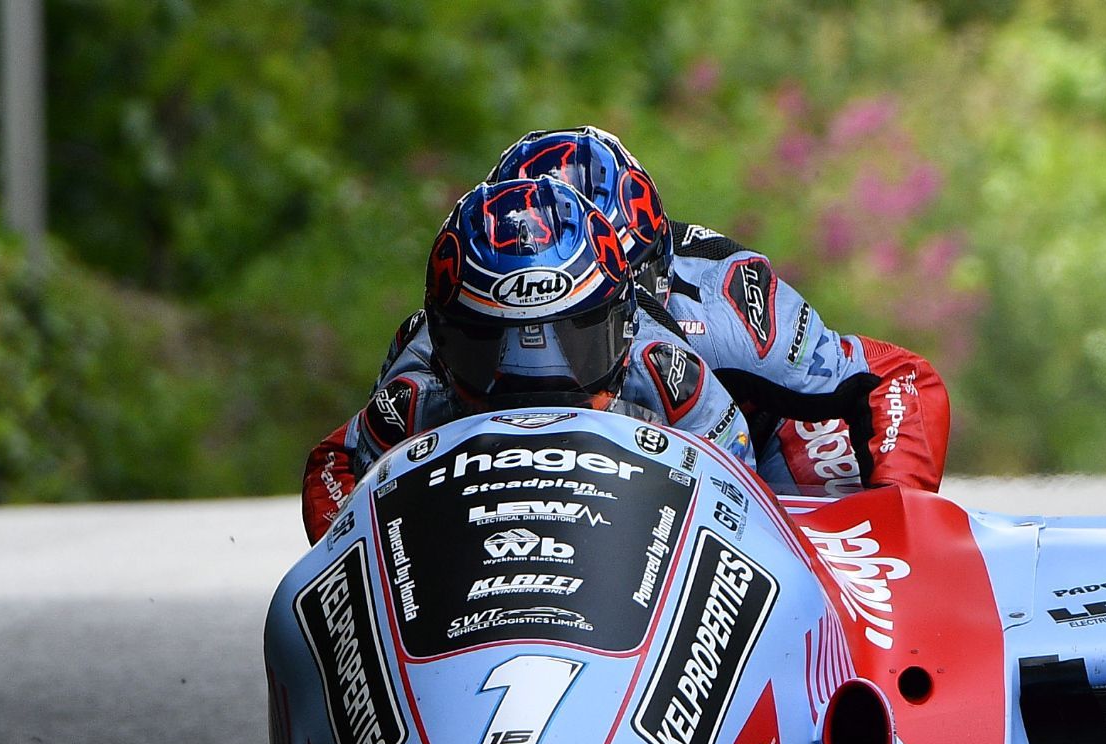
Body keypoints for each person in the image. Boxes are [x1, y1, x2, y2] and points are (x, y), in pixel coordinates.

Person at [389, 125, 951, 498]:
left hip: (750, 458)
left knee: (827, 488)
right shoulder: (444, 329)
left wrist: (897, 519)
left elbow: (895, 376)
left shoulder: (729, 311)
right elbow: (343, 467)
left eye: (600, 297)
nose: (553, 333)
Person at [301, 177, 748, 543]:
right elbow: (333, 464)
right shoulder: (414, 395)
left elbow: (740, 486)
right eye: (488, 342)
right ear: (443, 340)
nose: (537, 377)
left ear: (623, 321)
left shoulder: (666, 373)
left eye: (575, 338)